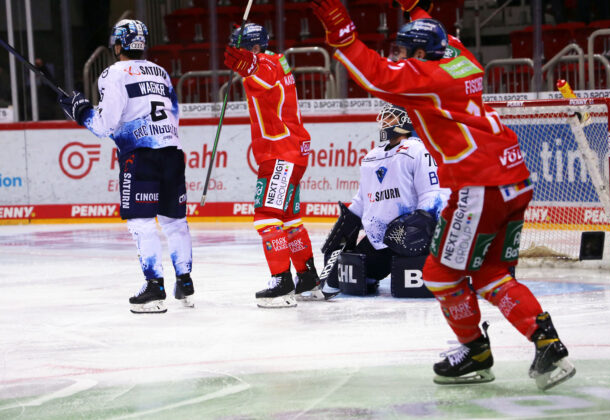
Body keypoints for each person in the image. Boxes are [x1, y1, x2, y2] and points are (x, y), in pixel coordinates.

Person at [311, 0, 576, 390]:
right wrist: (417, 9)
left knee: (439, 273)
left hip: (480, 185)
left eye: (402, 50)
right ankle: (547, 343)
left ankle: (475, 350)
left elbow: (376, 76)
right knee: (490, 272)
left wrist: (341, 31)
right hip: (512, 179)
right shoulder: (461, 60)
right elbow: (437, 35)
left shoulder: (426, 78)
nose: (396, 56)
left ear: (420, 55)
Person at [58, 19, 194, 314]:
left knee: (141, 221)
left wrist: (80, 111)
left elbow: (104, 126)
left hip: (140, 156)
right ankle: (184, 280)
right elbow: (174, 114)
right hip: (172, 152)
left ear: (118, 44)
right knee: (174, 221)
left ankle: (154, 287)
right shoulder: (162, 73)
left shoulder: (113, 73)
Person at [222, 23, 322, 308]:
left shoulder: (265, 63)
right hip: (292, 153)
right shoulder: (277, 60)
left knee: (266, 217)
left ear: (253, 47)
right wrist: (246, 63)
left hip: (279, 155)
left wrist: (247, 63)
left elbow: (263, 75)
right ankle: (307, 278)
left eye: (239, 46)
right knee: (290, 218)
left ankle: (281, 282)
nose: (235, 52)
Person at [321, 103, 449, 298]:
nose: (384, 122)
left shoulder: (418, 151)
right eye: (384, 117)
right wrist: (346, 226)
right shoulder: (371, 157)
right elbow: (362, 201)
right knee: (347, 274)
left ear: (406, 121)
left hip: (410, 238)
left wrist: (420, 232)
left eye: (391, 118)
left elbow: (431, 196)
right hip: (379, 241)